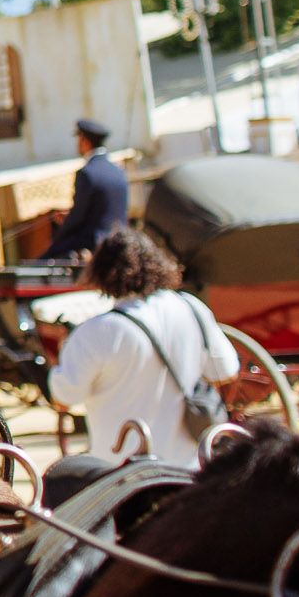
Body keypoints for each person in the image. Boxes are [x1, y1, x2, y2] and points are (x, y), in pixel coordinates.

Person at [46, 227, 240, 467]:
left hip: (121, 469)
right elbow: (227, 372)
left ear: (101, 272)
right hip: (190, 467)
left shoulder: (96, 331)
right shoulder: (192, 308)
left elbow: (64, 397)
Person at [37, 118, 129, 262]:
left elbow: (78, 216)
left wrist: (59, 235)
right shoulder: (119, 171)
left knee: (44, 260)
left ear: (84, 141)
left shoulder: (87, 173)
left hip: (94, 242)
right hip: (120, 240)